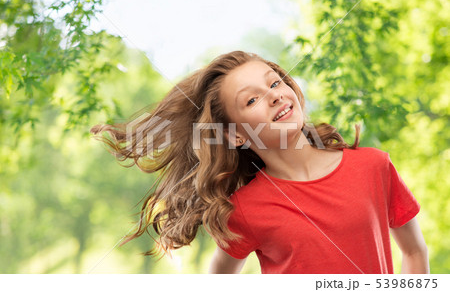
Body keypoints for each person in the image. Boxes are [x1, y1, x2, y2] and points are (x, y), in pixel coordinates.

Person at [90, 50, 429, 274]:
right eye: (252, 99)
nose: (273, 95)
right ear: (235, 135)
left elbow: (415, 253)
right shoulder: (245, 211)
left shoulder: (373, 166)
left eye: (275, 82)